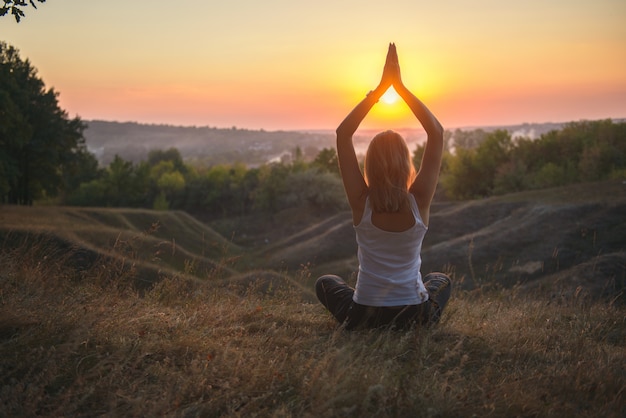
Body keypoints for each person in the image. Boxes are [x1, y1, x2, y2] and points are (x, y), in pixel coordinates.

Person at [315, 43, 451, 331]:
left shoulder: (360, 202)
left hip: (365, 315)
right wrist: (399, 87)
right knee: (440, 280)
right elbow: (436, 133)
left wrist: (378, 93)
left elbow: (343, 134)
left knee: (326, 283)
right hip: (415, 314)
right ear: (406, 163)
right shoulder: (419, 201)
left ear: (371, 165)